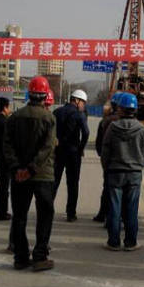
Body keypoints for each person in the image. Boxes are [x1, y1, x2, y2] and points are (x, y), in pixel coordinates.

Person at [4, 76, 57, 272]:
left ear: (29, 94)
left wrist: (18, 168)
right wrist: (32, 169)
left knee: (19, 216)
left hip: (19, 176)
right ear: (46, 95)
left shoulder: (14, 117)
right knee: (45, 215)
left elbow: (6, 145)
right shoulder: (49, 118)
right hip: (42, 174)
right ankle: (40, 256)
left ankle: (21, 257)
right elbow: (48, 147)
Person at [100, 92, 144, 251]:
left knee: (114, 208)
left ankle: (113, 242)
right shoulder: (142, 129)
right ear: (135, 109)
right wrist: (138, 158)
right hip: (134, 174)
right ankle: (131, 242)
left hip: (115, 172)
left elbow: (105, 151)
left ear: (120, 109)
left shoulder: (112, 128)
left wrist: (107, 168)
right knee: (131, 209)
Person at [53, 89, 90, 221]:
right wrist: (81, 148)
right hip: (73, 153)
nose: (83, 106)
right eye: (83, 103)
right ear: (77, 100)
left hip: (58, 151)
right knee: (73, 184)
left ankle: (47, 210)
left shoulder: (57, 112)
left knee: (54, 181)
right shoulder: (79, 114)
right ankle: (71, 213)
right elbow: (86, 133)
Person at [93, 93, 121, 223]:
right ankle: (120, 217)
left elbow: (99, 143)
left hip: (110, 161)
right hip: (127, 163)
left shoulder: (105, 121)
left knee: (108, 188)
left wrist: (103, 157)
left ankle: (103, 214)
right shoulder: (133, 123)